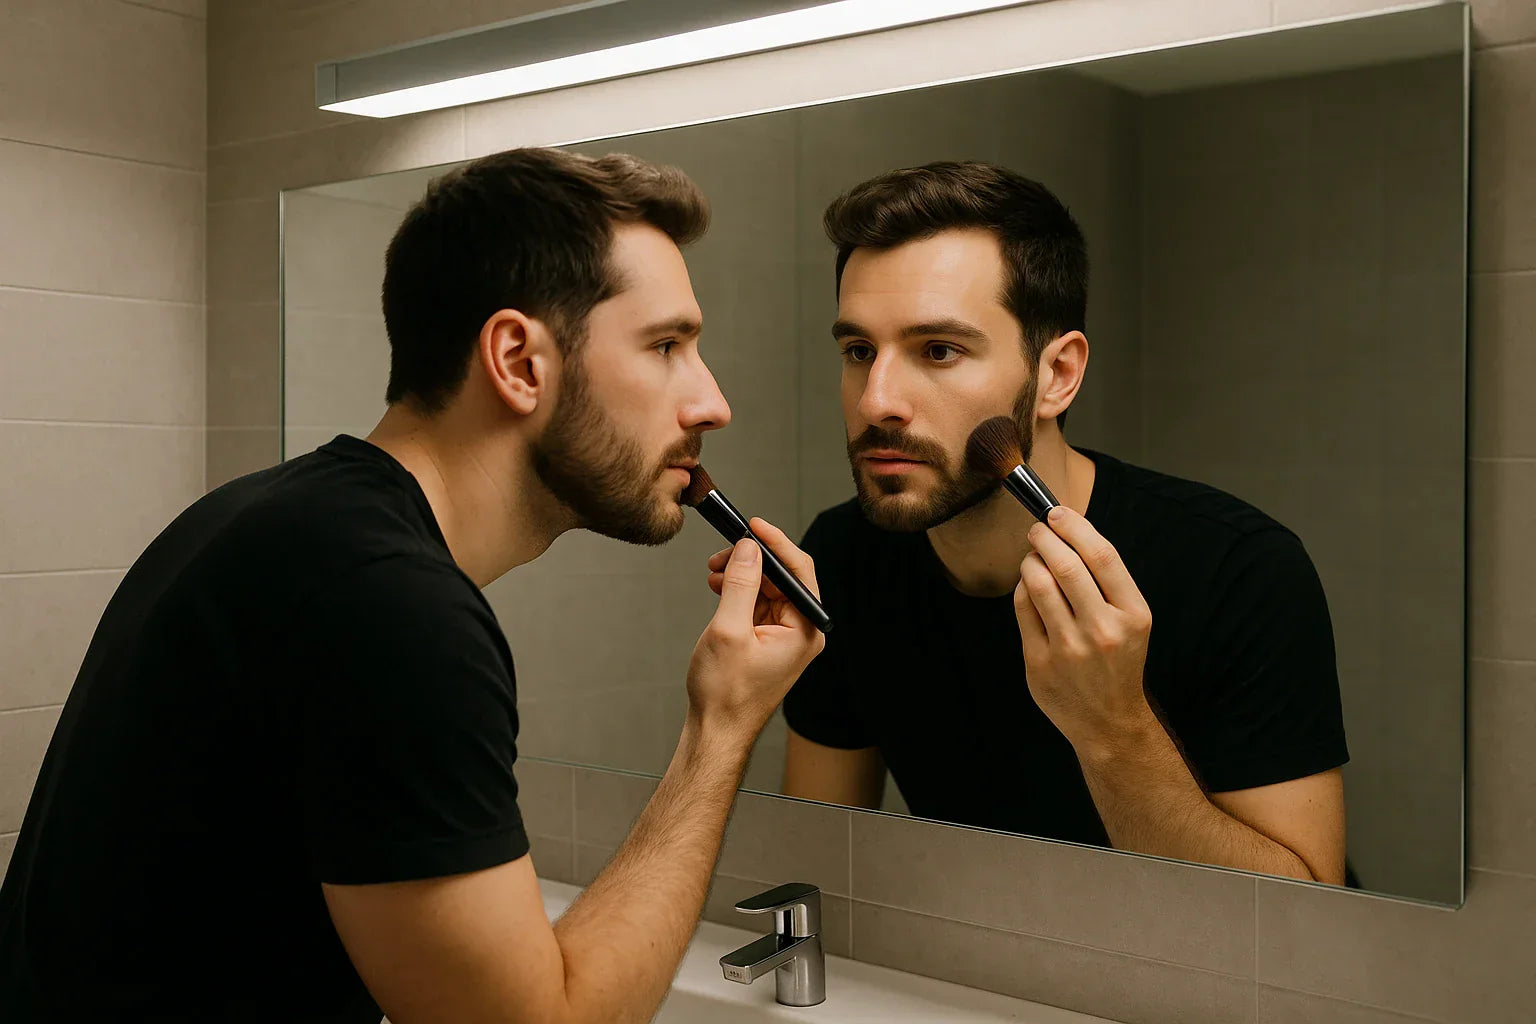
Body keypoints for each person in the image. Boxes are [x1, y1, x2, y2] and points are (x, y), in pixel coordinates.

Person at [0, 148, 824, 1022]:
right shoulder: (392, 607)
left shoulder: (269, 520)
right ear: (517, 360)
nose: (712, 403)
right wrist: (720, 726)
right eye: (666, 346)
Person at [774, 161, 1348, 884]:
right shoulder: (844, 556)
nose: (877, 398)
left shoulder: (1238, 569)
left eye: (939, 350)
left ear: (1057, 376)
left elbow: (1307, 925)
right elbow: (824, 867)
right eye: (859, 351)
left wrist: (1113, 728)